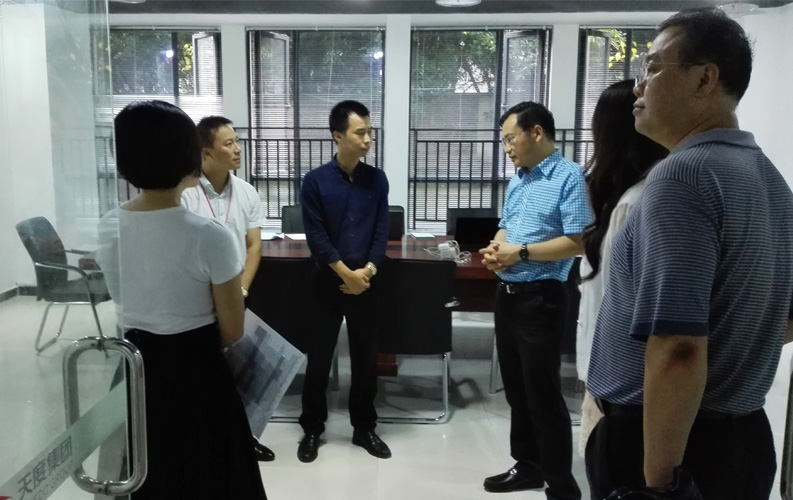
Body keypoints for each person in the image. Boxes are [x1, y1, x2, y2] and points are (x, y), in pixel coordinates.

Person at [586, 7, 793, 500]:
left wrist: (661, 484)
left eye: (653, 68)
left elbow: (678, 347)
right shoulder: (771, 182)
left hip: (669, 446)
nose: (638, 87)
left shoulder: (683, 177)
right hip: (744, 439)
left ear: (705, 79)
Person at [96, 101, 267, 499]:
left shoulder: (108, 226)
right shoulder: (209, 236)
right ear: (187, 155)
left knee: (148, 473)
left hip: (134, 366)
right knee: (207, 474)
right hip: (196, 373)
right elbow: (232, 329)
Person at [479, 101, 591, 499]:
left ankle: (561, 485)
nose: (507, 148)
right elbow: (506, 226)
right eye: (504, 141)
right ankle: (528, 466)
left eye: (511, 139)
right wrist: (497, 250)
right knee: (516, 390)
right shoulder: (519, 180)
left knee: (543, 395)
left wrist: (521, 253)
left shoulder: (569, 177)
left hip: (542, 299)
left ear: (537, 133)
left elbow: (578, 241)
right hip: (508, 296)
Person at [576, 79, 668, 457]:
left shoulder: (636, 202)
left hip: (621, 382)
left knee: (611, 467)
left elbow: (623, 301)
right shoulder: (627, 196)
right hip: (612, 377)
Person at [296, 100, 391, 463]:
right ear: (337, 136)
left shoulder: (377, 179)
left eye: (370, 132)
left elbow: (381, 233)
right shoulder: (315, 182)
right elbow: (316, 237)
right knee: (319, 360)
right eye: (360, 133)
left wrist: (367, 272)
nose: (368, 139)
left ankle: (364, 428)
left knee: (365, 361)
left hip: (366, 283)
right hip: (326, 282)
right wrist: (345, 273)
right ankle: (312, 429)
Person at [181, 115, 274, 462]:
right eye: (229, 143)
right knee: (203, 374)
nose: (238, 149)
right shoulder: (186, 194)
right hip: (197, 300)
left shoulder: (247, 192)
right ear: (206, 152)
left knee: (240, 372)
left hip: (237, 295)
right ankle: (207, 442)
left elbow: (254, 246)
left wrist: (240, 292)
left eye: (237, 142)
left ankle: (244, 438)